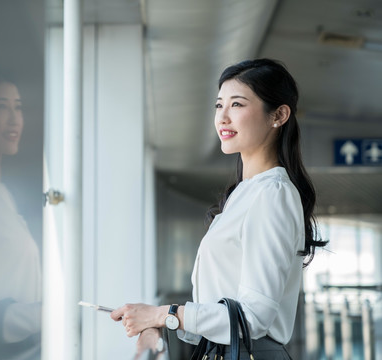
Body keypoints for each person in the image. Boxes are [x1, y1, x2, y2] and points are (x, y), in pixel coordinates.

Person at [111, 59, 326, 359]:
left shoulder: (272, 194)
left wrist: (164, 314)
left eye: (237, 105)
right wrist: (157, 319)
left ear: (278, 115)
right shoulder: (243, 194)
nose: (222, 118)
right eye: (218, 105)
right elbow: (221, 310)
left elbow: (252, 318)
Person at [0, 77, 42, 360]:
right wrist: (53, 312)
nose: (13, 119)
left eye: (18, 107)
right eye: (0, 106)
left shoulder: (4, 194)